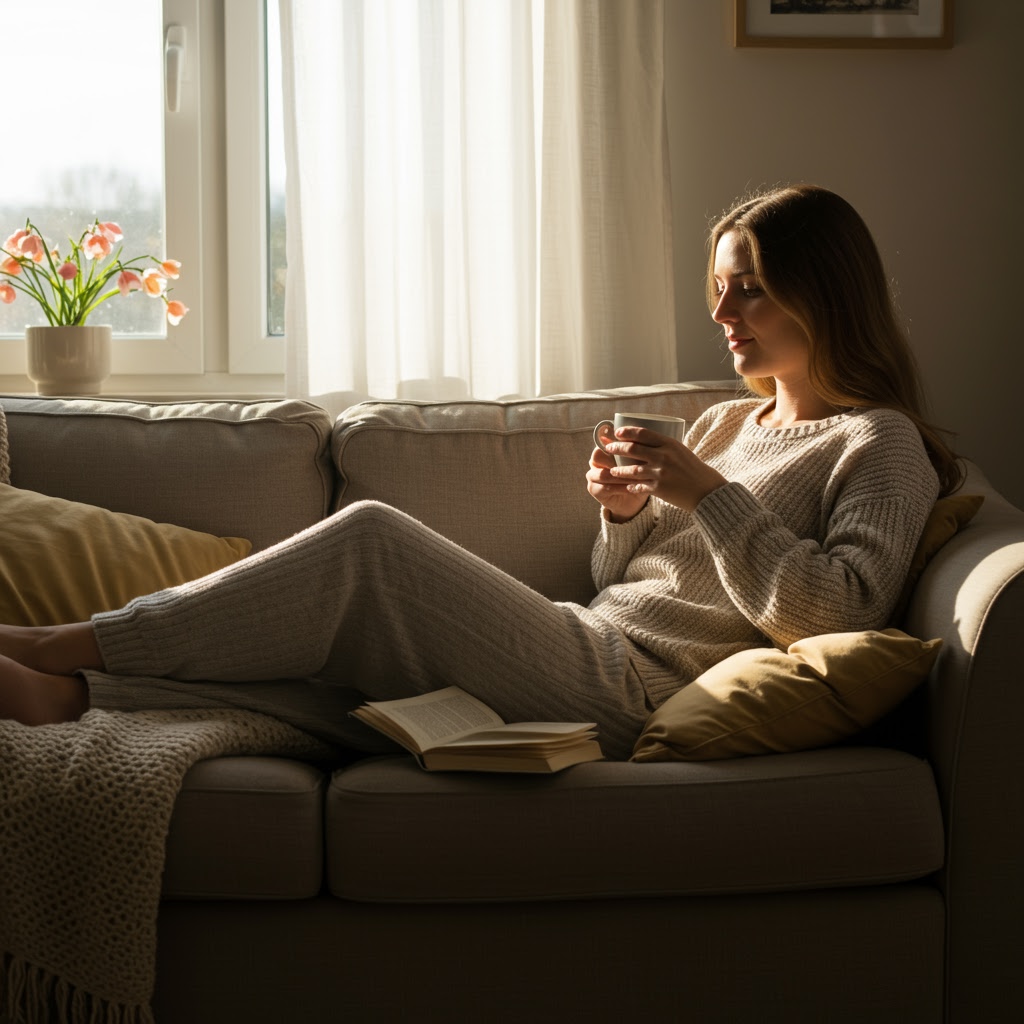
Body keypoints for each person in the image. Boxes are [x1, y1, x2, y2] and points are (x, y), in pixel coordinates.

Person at [0, 184, 961, 761]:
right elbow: (623, 586)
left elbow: (838, 612)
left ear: (823, 290)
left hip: (634, 696)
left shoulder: (878, 444)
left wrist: (707, 495)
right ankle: (71, 699)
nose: (726, 312)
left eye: (750, 285)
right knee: (348, 670)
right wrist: (625, 515)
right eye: (719, 289)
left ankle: (61, 647)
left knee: (372, 543)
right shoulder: (724, 418)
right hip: (589, 641)